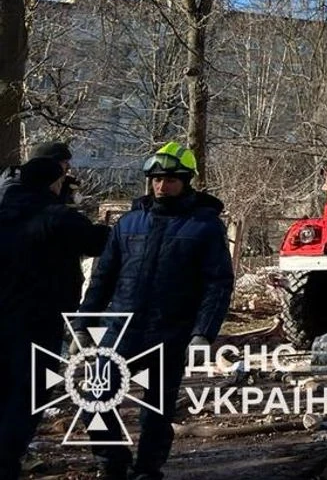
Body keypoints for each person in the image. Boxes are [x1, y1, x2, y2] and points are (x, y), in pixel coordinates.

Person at [84, 141, 232, 480]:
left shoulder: (205, 226)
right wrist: (86, 317)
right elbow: (104, 275)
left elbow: (218, 283)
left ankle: (148, 470)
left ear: (186, 181)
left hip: (170, 331)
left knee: (155, 411)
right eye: (156, 179)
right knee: (96, 396)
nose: (161, 186)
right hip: (121, 329)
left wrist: (203, 332)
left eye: (170, 179)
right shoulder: (129, 223)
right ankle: (112, 462)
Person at [0, 157, 109, 480]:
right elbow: (97, 241)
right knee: (29, 392)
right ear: (54, 183)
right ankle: (7, 461)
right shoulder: (56, 217)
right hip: (39, 319)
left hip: (6, 314)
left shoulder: (5, 211)